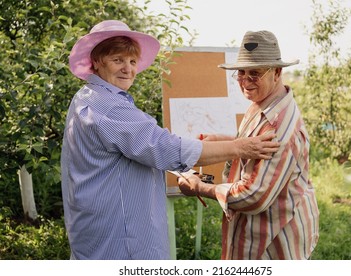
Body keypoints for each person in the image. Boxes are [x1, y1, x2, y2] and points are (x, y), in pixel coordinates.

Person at [61, 20, 280, 260]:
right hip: (119, 239)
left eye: (132, 61)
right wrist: (241, 147)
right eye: (118, 60)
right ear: (96, 62)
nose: (128, 69)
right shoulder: (110, 107)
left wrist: (216, 146)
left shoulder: (86, 96)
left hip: (96, 229)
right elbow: (164, 148)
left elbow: (136, 150)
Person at [178, 30, 320, 260]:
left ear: (277, 72)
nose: (245, 82)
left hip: (274, 244)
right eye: (240, 73)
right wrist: (229, 141)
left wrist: (199, 187)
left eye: (254, 74)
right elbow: (253, 146)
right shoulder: (265, 102)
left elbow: (254, 196)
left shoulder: (277, 129)